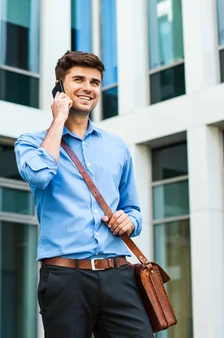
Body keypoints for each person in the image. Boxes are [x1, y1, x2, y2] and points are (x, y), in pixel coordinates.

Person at [14, 51, 153, 338]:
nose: (88, 88)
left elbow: (133, 209)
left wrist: (129, 221)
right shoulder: (31, 143)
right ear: (59, 87)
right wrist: (59, 119)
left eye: (95, 82)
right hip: (65, 278)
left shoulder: (117, 147)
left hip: (119, 275)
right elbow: (40, 175)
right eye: (78, 79)